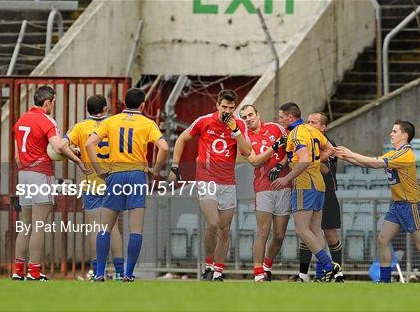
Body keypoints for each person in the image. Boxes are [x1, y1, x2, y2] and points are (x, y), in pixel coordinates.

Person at [335, 120, 420, 284]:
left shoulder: (405, 154)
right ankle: (384, 280)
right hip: (397, 205)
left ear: (405, 135)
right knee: (383, 239)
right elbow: (368, 163)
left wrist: (350, 153)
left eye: (394, 131)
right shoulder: (394, 153)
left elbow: (374, 163)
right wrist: (345, 157)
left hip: (412, 205)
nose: (391, 134)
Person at [86, 88, 169, 282]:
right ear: (142, 106)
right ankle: (128, 274)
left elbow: (90, 144)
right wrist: (155, 170)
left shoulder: (110, 121)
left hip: (115, 174)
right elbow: (164, 147)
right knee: (136, 228)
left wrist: (98, 170)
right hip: (137, 175)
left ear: (124, 103)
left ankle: (99, 273)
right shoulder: (147, 123)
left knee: (105, 227)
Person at [169, 90, 252, 281]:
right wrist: (175, 165)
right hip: (206, 179)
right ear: (217, 105)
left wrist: (236, 132)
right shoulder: (204, 121)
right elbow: (182, 138)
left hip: (228, 183)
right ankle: (208, 265)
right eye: (224, 107)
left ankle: (217, 272)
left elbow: (247, 151)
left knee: (225, 229)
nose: (227, 111)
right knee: (213, 223)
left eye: (231, 108)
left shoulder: (238, 125)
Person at [12, 86, 91, 281]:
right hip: (40, 175)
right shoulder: (46, 120)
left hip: (24, 175)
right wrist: (77, 159)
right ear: (47, 103)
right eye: (54, 102)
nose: (54, 105)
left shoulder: (21, 119)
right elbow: (57, 146)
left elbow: (17, 156)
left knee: (25, 225)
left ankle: (17, 270)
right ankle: (34, 272)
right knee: (39, 225)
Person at [272, 102, 341, 282]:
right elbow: (331, 150)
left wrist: (286, 178)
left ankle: (329, 266)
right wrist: (316, 163)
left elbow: (303, 159)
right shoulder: (312, 131)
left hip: (304, 185)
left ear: (290, 117)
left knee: (301, 229)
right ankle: (322, 273)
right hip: (319, 185)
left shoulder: (296, 133)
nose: (280, 121)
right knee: (315, 230)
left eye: (281, 117)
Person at [64, 94, 124, 280]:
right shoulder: (114, 124)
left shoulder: (80, 127)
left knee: (96, 228)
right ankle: (121, 273)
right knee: (113, 228)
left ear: (88, 110)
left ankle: (98, 272)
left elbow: (60, 146)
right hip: (113, 181)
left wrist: (77, 157)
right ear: (105, 109)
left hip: (93, 183)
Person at [290, 112, 344, 282]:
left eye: (314, 122)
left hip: (326, 194)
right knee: (310, 233)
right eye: (308, 121)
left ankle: (334, 271)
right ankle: (305, 274)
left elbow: (326, 170)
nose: (310, 124)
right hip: (315, 189)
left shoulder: (325, 143)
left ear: (323, 127)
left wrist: (308, 159)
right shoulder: (307, 140)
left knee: (328, 234)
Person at [239, 104, 289, 282]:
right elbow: (256, 161)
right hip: (263, 188)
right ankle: (258, 272)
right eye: (244, 117)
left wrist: (282, 164)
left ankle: (267, 265)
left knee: (280, 234)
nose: (248, 119)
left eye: (251, 114)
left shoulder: (276, 128)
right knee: (263, 232)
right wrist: (275, 147)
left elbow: (291, 149)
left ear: (258, 114)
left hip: (284, 186)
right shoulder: (245, 138)